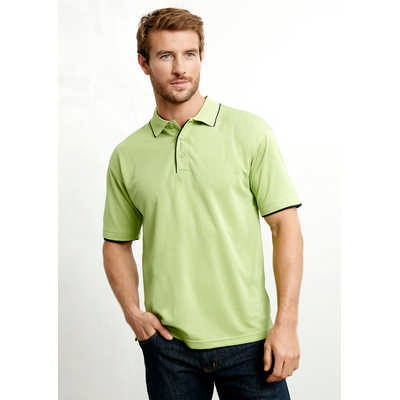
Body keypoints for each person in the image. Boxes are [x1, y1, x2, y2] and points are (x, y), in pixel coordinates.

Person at [102, 7, 303, 400]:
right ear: (144, 63)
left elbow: (286, 227)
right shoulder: (127, 155)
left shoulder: (250, 133)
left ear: (202, 56)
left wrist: (287, 324)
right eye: (166, 56)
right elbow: (116, 243)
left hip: (251, 344)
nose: (180, 68)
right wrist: (133, 313)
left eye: (189, 54)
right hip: (169, 348)